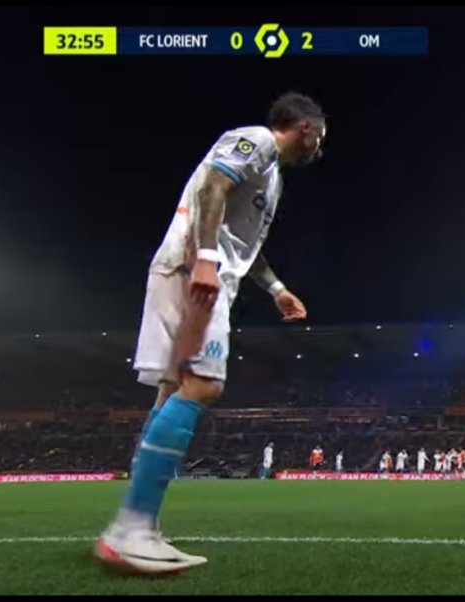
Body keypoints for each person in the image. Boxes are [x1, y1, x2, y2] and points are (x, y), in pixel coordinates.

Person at [94, 92, 327, 574]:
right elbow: (211, 188)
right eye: (321, 137)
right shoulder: (257, 141)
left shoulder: (271, 176)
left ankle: (137, 526)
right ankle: (131, 529)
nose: (320, 148)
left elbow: (243, 244)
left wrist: (276, 289)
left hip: (197, 268)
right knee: (203, 385)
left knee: (171, 393)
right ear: (305, 126)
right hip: (196, 270)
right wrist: (204, 260)